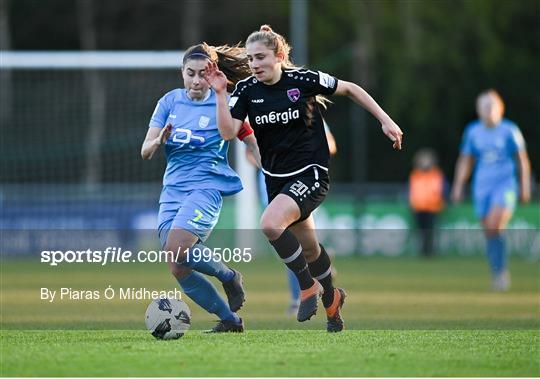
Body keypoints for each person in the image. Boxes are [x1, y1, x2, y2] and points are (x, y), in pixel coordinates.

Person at [205, 25, 403, 332]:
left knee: (270, 224)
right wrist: (220, 94)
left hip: (311, 173)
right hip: (275, 178)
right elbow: (228, 132)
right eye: (251, 59)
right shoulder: (246, 90)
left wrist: (386, 120)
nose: (255, 64)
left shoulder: (302, 80)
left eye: (261, 57)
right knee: (310, 249)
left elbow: (350, 88)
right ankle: (333, 301)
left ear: (280, 56)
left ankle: (307, 287)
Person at [141, 43, 256, 332]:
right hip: (173, 190)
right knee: (176, 264)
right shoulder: (169, 101)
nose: (195, 80)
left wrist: (259, 154)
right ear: (182, 72)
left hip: (206, 187)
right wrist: (158, 142)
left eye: (202, 74)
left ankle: (230, 277)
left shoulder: (226, 101)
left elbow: (241, 134)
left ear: (213, 74)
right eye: (190, 73)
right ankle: (230, 321)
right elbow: (145, 150)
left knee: (178, 246)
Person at [451, 89, 531, 291]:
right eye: (483, 105)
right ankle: (497, 271)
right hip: (481, 187)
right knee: (489, 230)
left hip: (505, 185)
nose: (487, 109)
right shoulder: (473, 131)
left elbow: (522, 160)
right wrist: (458, 185)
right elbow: (466, 160)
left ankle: (500, 271)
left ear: (500, 108)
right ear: (478, 109)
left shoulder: (509, 130)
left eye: (491, 105)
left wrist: (525, 186)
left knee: (495, 224)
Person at [409, 148, 446, 258]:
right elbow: (412, 191)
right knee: (421, 231)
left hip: (433, 207)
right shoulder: (415, 174)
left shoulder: (437, 174)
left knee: (431, 231)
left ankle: (430, 251)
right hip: (418, 207)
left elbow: (442, 190)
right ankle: (422, 251)